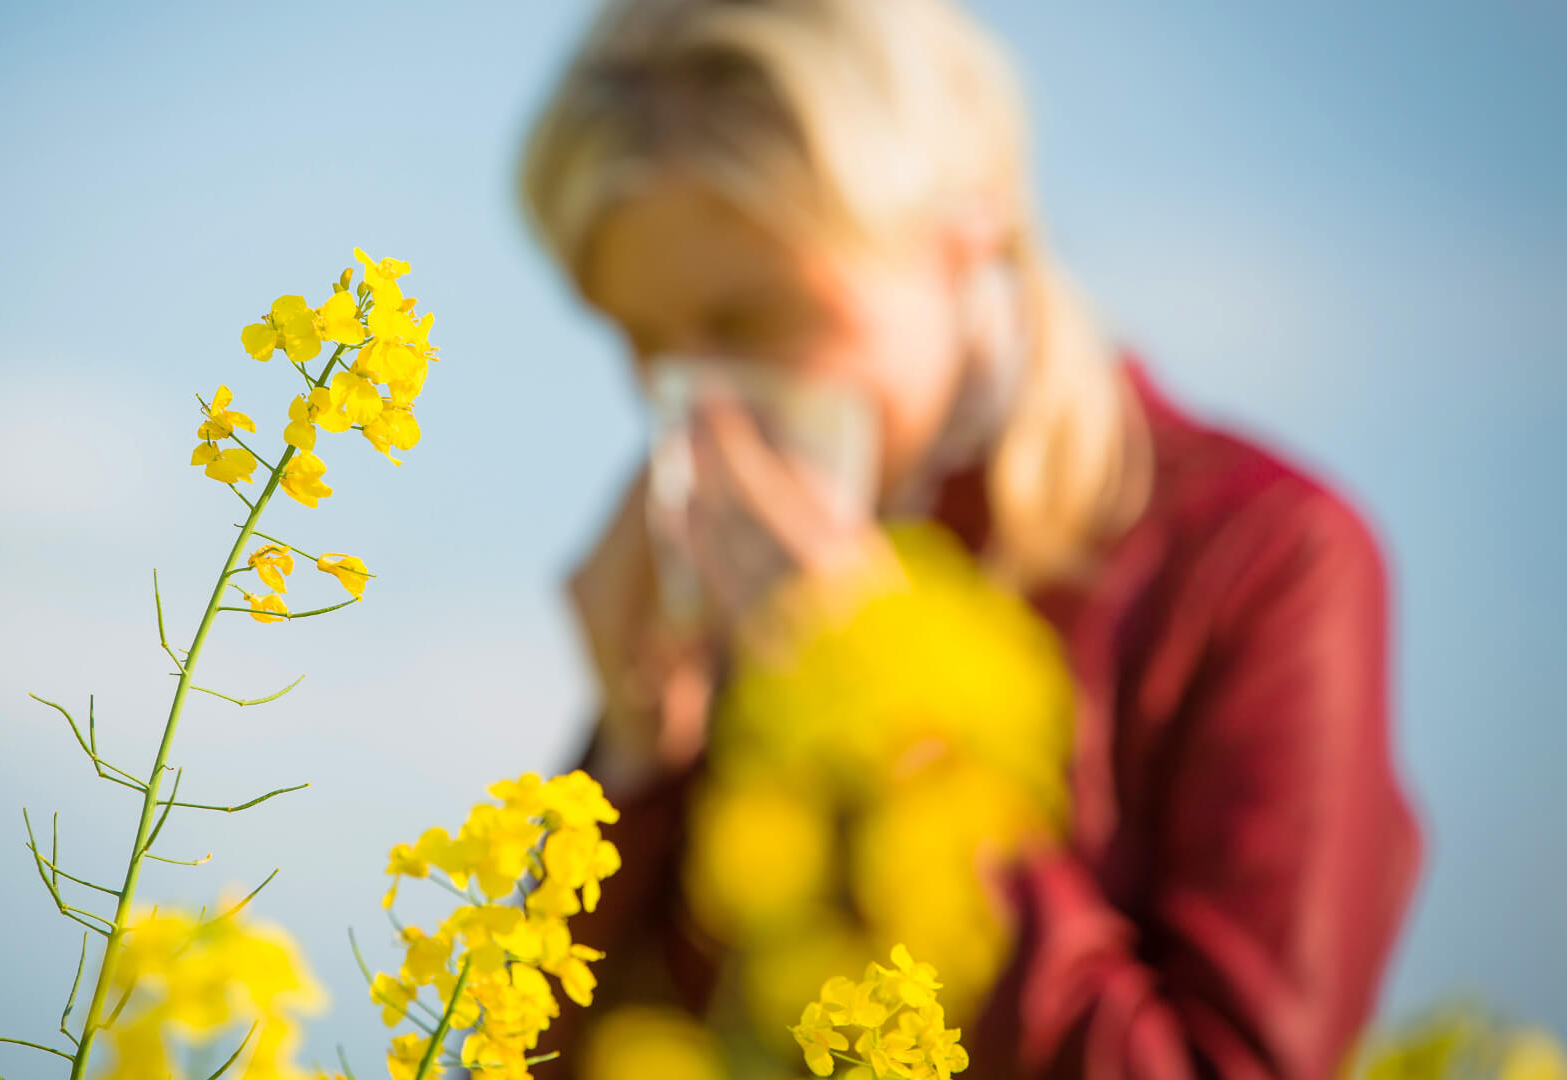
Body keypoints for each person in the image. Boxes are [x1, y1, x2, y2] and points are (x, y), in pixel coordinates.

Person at [516, 1, 1422, 1078]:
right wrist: (632, 764)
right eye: (646, 343)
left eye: (752, 321)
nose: (705, 408)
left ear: (965, 241)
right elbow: (558, 1050)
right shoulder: (732, 587)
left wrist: (887, 726)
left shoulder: (1262, 559)